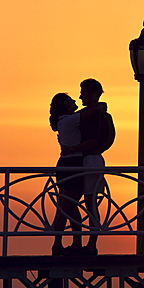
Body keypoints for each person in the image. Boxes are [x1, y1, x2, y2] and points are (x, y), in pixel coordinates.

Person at [61, 78, 115, 256]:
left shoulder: (96, 116)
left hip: (90, 161)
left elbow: (93, 141)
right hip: (89, 161)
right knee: (84, 203)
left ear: (92, 94)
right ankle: (86, 244)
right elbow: (108, 138)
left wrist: (72, 149)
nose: (80, 96)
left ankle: (90, 245)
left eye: (83, 93)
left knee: (89, 204)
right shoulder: (96, 114)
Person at [49, 92, 105, 256]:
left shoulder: (63, 121)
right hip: (73, 164)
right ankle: (59, 244)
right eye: (72, 101)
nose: (77, 101)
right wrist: (100, 105)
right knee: (66, 207)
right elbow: (91, 111)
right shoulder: (69, 120)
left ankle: (72, 243)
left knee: (69, 207)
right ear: (66, 106)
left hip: (66, 164)